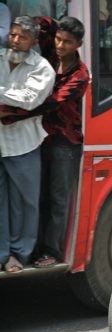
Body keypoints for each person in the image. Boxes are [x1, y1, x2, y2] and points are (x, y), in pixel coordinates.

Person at [30, 17, 90, 268]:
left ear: (79, 44)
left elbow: (53, 103)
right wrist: (55, 25)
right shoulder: (49, 54)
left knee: (57, 199)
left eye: (67, 41)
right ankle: (32, 248)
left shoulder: (80, 74)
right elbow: (39, 24)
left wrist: (13, 113)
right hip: (39, 136)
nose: (60, 44)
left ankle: (51, 251)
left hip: (65, 143)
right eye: (58, 38)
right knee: (37, 196)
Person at [0, 16, 56, 273]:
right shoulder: (1, 56)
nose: (15, 40)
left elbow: (28, 100)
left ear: (34, 40)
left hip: (24, 144)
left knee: (25, 203)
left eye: (22, 37)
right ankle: (2, 253)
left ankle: (19, 254)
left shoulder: (42, 67)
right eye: (13, 34)